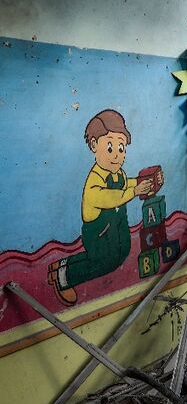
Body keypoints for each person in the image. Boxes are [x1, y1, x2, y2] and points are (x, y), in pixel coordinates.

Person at [47, 109, 160, 306]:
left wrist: (146, 182)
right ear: (93, 146)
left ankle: (61, 265)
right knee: (102, 261)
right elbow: (108, 198)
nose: (117, 155)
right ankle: (65, 276)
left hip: (117, 228)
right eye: (110, 148)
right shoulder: (94, 180)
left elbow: (128, 184)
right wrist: (133, 192)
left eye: (121, 148)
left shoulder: (119, 174)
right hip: (98, 232)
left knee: (122, 251)